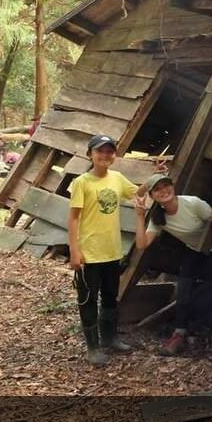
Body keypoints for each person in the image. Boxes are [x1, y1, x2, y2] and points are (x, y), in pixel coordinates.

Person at [134, 173, 212, 354]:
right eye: (157, 189)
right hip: (194, 250)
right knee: (183, 290)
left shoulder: (193, 203)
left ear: (173, 186)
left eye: (166, 185)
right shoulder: (159, 217)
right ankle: (179, 333)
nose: (163, 191)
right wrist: (140, 216)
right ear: (153, 197)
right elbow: (142, 244)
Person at [67, 134, 138, 366]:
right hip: (89, 253)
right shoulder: (81, 183)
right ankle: (93, 347)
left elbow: (138, 193)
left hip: (112, 250)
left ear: (114, 156)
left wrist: (158, 174)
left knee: (110, 296)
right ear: (90, 154)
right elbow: (74, 219)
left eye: (110, 151)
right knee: (87, 298)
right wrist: (74, 251)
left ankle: (110, 337)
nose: (105, 155)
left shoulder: (117, 178)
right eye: (100, 151)